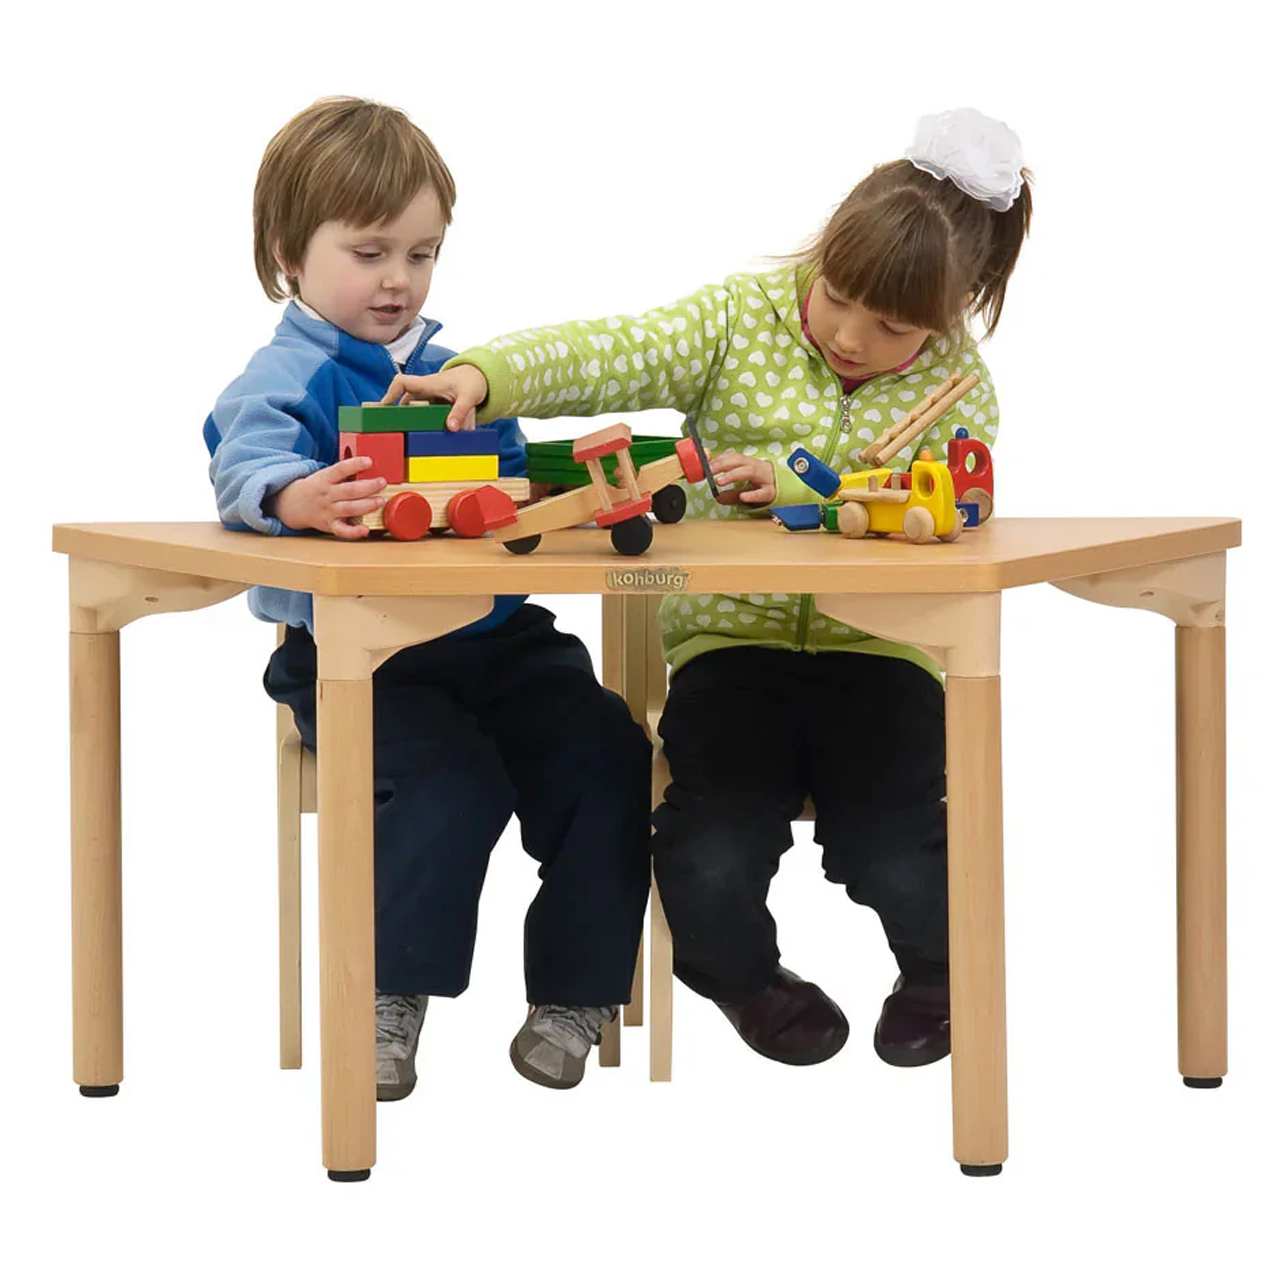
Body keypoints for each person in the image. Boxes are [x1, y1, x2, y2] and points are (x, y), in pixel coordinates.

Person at [380, 108, 1033, 1071]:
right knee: (707, 850)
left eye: (893, 327)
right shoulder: (739, 319)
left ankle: (942, 975)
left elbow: (949, 508)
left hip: (882, 655)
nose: (850, 335)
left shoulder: (959, 386)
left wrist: (815, 492)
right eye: (837, 296)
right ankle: (744, 981)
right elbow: (614, 350)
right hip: (731, 657)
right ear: (824, 252)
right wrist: (488, 372)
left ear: (950, 312)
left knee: (898, 841)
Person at [203, 96, 652, 1096]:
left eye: (421, 253)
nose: (397, 279)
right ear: (288, 255)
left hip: (496, 639)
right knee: (452, 781)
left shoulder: (454, 374)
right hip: (364, 658)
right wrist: (291, 494)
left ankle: (576, 993)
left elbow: (506, 484)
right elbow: (242, 460)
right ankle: (386, 991)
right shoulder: (287, 374)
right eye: (368, 254)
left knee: (608, 749)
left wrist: (530, 496)